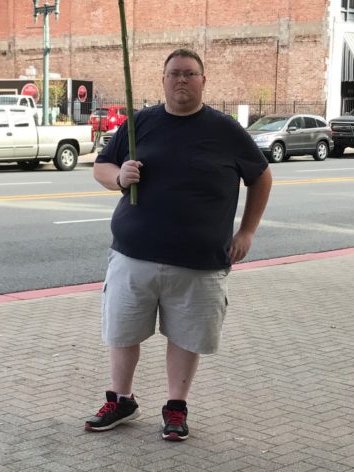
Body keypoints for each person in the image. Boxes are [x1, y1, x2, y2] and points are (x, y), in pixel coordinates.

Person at [85, 48, 272, 442]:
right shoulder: (140, 124)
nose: (182, 80)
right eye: (174, 74)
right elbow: (101, 167)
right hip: (133, 254)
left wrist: (247, 231)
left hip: (199, 260)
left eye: (190, 74)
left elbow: (261, 177)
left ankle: (175, 407)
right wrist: (120, 176)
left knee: (186, 337)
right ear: (163, 80)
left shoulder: (225, 130)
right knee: (122, 331)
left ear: (204, 81)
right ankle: (121, 398)